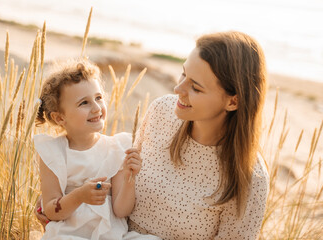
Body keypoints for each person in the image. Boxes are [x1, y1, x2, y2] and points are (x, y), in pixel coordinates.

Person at [36, 31, 269, 239]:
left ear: (233, 101)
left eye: (195, 87)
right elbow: (120, 188)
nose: (178, 89)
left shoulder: (250, 179)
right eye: (183, 74)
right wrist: (65, 209)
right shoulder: (162, 112)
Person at [34, 59, 160, 239]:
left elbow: (121, 210)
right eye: (84, 103)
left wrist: (131, 177)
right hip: (70, 233)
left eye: (98, 98)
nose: (96, 108)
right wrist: (79, 196)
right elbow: (52, 211)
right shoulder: (54, 151)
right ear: (60, 118)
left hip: (111, 234)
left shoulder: (116, 148)